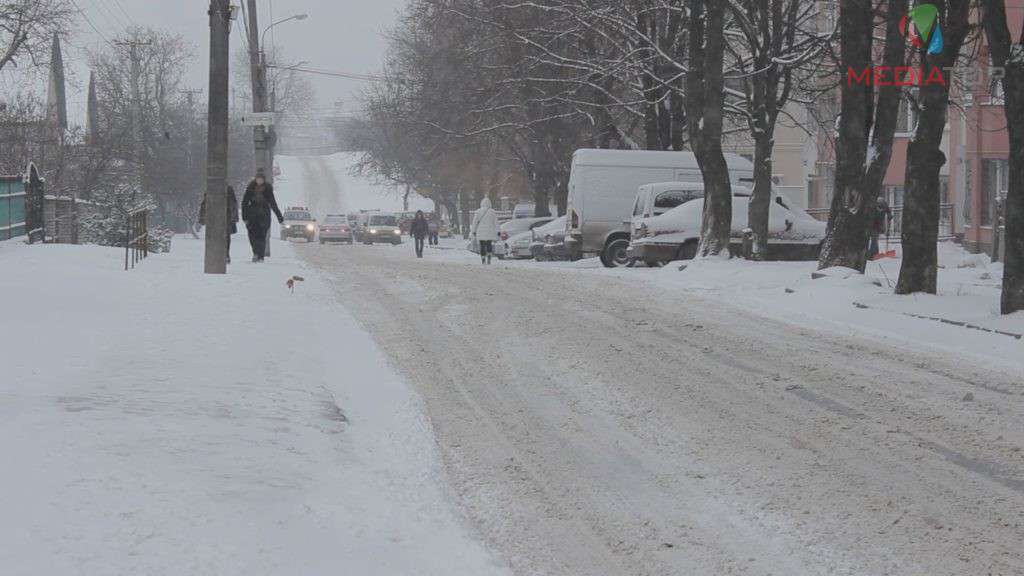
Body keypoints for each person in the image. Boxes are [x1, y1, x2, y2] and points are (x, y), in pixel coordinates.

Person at [241, 168, 284, 262]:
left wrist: (279, 217)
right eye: (258, 179)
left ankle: (260, 256)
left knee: (261, 237)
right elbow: (244, 203)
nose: (259, 181)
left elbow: (273, 203)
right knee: (252, 236)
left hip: (264, 216)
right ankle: (255, 253)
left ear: (264, 180)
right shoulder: (250, 188)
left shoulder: (268, 189)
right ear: (256, 179)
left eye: (261, 179)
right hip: (252, 216)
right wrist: (244, 217)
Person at [198, 186, 239, 264]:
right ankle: (217, 254)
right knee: (215, 236)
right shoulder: (211, 187)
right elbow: (205, 202)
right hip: (214, 216)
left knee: (225, 236)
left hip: (226, 216)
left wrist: (234, 217)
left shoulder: (228, 189)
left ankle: (225, 254)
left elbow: (233, 203)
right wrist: (202, 217)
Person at [471, 197, 499, 264]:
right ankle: (489, 257)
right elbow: (496, 223)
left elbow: (474, 222)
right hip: (490, 232)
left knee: (482, 245)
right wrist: (498, 231)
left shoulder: (478, 211)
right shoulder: (492, 212)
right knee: (489, 244)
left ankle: (483, 259)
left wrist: (473, 231)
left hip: (481, 232)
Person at [868, 194, 892, 259]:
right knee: (874, 239)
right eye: (879, 206)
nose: (881, 208)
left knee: (875, 239)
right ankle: (873, 254)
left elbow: (889, 212)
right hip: (872, 224)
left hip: (878, 225)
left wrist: (889, 217)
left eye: (882, 207)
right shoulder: (873, 206)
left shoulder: (884, 205)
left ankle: (874, 254)